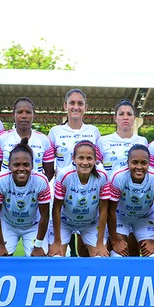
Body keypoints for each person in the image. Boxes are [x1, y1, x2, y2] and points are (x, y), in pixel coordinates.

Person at [47, 88, 102, 257]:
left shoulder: (93, 131)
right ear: (65, 106)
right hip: (62, 189)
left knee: (86, 241)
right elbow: (48, 163)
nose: (76, 107)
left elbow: (98, 161)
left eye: (80, 103)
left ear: (86, 107)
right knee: (58, 248)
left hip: (86, 189)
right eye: (72, 103)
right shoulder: (55, 132)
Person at [0, 138, 51, 257]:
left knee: (38, 259)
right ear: (9, 166)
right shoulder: (0, 180)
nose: (21, 169)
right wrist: (1, 244)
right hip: (8, 224)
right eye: (16, 165)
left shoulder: (41, 181)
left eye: (26, 165)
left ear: (32, 165)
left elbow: (45, 216)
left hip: (33, 224)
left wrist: (38, 245)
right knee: (1, 256)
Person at [107, 145, 154, 257]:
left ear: (149, 163)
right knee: (118, 255)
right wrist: (115, 242)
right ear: (128, 162)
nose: (139, 167)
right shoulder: (118, 177)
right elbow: (110, 211)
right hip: (121, 216)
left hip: (145, 217)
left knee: (152, 256)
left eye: (143, 163)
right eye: (135, 162)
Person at [49, 141, 109, 257]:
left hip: (90, 223)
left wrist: (100, 243)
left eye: (89, 158)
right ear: (73, 159)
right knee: (55, 257)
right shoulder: (64, 175)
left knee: (100, 258)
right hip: (64, 222)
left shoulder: (103, 176)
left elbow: (103, 210)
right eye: (81, 158)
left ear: (96, 159)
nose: (85, 162)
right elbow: (56, 208)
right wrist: (57, 241)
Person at [0, 97, 55, 180]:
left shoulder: (44, 140)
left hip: (34, 191)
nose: (24, 116)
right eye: (20, 112)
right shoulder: (1, 139)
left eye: (28, 112)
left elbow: (49, 172)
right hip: (8, 191)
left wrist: (37, 188)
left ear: (33, 115)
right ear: (13, 115)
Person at [96, 99, 148, 178]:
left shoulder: (142, 141)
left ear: (134, 118)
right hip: (109, 189)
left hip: (133, 189)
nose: (125, 117)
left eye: (129, 114)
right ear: (115, 118)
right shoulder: (102, 141)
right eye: (121, 114)